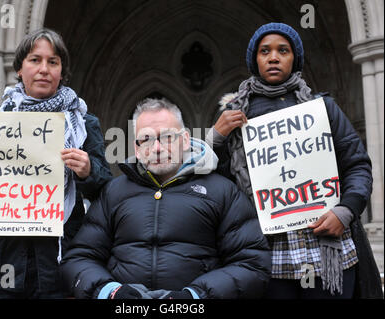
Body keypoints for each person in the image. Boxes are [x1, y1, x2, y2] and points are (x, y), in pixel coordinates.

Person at [206, 22, 383, 299]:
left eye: (283, 50)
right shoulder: (235, 117)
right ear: (255, 59)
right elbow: (213, 184)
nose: (273, 57)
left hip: (327, 252)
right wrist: (215, 137)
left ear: (294, 58)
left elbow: (357, 166)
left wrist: (345, 211)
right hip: (268, 256)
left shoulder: (324, 109)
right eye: (265, 51)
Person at [0, 28, 112, 299]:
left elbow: (104, 191)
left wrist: (88, 171)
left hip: (58, 267)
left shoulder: (84, 124)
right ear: (19, 68)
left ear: (62, 71)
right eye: (35, 60)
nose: (43, 69)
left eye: (53, 62)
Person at [60, 98, 271, 299]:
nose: (157, 148)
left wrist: (196, 295)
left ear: (186, 139)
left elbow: (252, 263)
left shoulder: (222, 192)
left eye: (167, 137)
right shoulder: (113, 193)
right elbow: (79, 258)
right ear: (136, 148)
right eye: (146, 139)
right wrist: (110, 291)